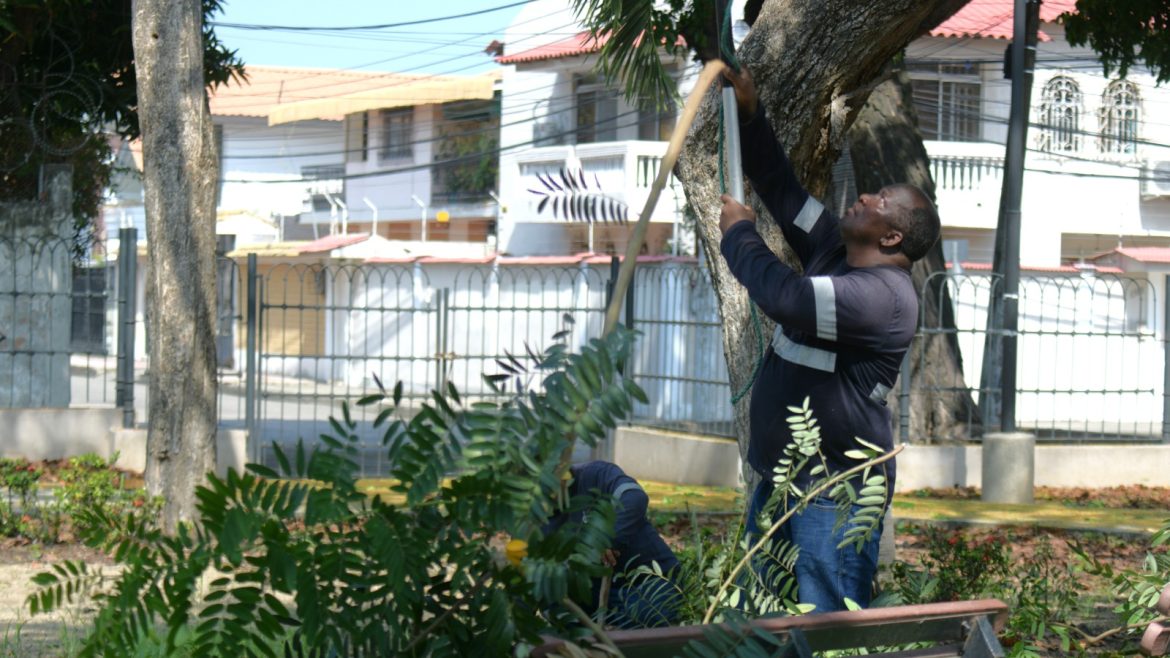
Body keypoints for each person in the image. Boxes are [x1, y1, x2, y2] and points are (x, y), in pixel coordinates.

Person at [717, 67, 940, 613]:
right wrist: (751, 112)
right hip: (785, 480)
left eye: (880, 200)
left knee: (823, 631)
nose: (864, 195)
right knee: (762, 628)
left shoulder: (883, 298)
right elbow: (783, 190)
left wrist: (738, 234)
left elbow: (787, 297)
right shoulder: (832, 246)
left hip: (833, 493)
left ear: (891, 237)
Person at [543, 460, 681, 628]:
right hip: (595, 597)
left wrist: (606, 539)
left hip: (649, 582)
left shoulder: (595, 474)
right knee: (552, 599)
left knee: (644, 620)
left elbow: (634, 497)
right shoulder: (537, 522)